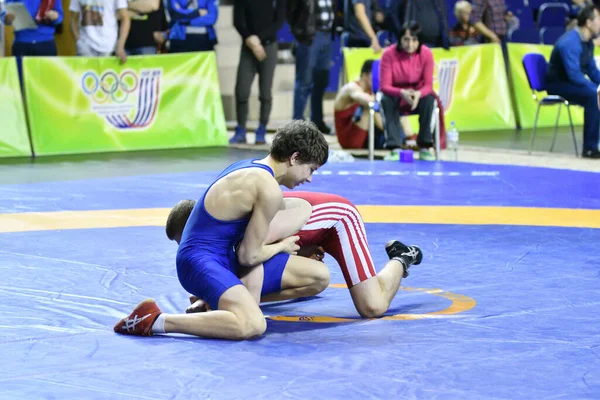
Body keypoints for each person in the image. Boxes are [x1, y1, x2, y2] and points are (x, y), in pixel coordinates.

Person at [113, 120, 330, 340]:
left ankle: (214, 301)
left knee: (318, 277)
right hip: (200, 262)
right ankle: (154, 320)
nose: (309, 178)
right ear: (294, 158)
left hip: (222, 258)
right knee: (253, 324)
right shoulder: (268, 188)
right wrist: (283, 246)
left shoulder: (250, 166)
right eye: (310, 169)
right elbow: (249, 256)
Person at [168, 191, 424, 319]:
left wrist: (217, 302)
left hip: (337, 220)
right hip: (302, 232)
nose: (193, 252)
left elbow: (252, 263)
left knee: (373, 306)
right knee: (316, 281)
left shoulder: (230, 225)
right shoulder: (218, 228)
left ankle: (401, 257)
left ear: (196, 227)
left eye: (188, 242)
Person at [380, 21, 440, 160]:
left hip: (417, 95)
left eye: (414, 40)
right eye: (406, 39)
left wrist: (418, 94)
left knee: (430, 99)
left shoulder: (426, 54)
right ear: (400, 40)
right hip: (396, 94)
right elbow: (385, 86)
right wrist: (402, 92)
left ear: (419, 40)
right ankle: (394, 147)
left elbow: (428, 85)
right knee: (385, 99)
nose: (410, 44)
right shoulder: (388, 54)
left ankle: (425, 146)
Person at [228, 0, 286, 144]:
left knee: (265, 92)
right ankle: (241, 129)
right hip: (248, 47)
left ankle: (262, 129)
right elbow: (238, 20)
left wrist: (258, 41)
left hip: (268, 46)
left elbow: (279, 22)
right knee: (242, 90)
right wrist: (250, 39)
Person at [546, 5, 600, 159]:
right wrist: (596, 89)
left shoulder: (587, 42)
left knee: (595, 93)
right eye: (599, 19)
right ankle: (590, 148)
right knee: (593, 96)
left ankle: (593, 145)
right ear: (588, 23)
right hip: (558, 85)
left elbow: (592, 71)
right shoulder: (570, 42)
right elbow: (574, 75)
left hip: (570, 83)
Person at [333, 59, 385, 149]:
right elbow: (362, 98)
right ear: (364, 75)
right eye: (376, 76)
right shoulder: (351, 88)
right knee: (369, 106)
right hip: (349, 140)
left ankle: (406, 139)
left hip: (365, 137)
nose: (379, 79)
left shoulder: (370, 91)